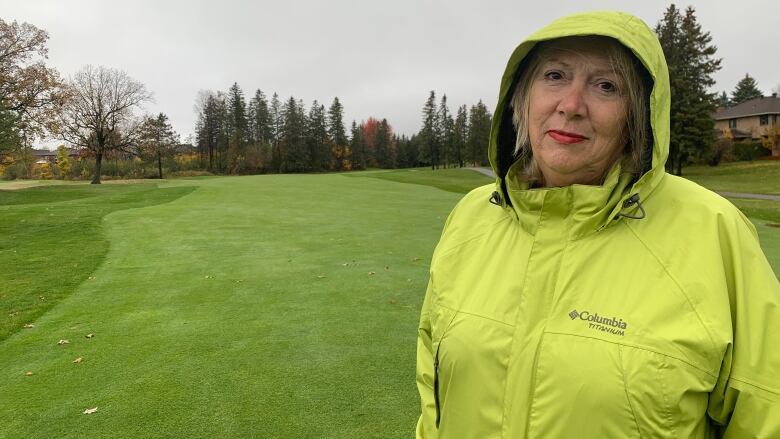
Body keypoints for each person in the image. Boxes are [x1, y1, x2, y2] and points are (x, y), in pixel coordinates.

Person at [415, 10, 780, 438]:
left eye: (607, 86)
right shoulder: (472, 217)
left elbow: (764, 414)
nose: (570, 106)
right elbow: (433, 391)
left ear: (637, 116)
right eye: (554, 76)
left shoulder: (715, 232)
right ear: (522, 96)